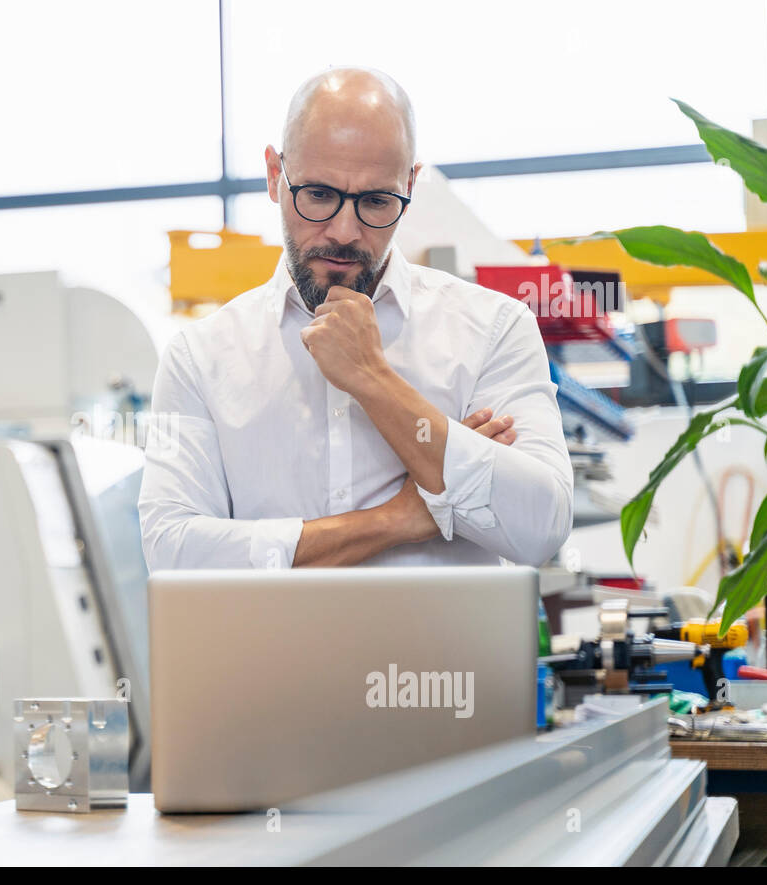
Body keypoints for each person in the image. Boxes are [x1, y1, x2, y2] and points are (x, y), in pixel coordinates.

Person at [139, 67, 573, 571]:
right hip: (277, 654)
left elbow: (541, 527)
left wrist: (373, 379)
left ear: (410, 185)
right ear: (275, 176)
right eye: (319, 195)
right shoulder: (200, 358)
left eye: (375, 201)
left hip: (440, 654)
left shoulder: (494, 329)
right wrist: (399, 519)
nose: (344, 232)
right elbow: (172, 551)